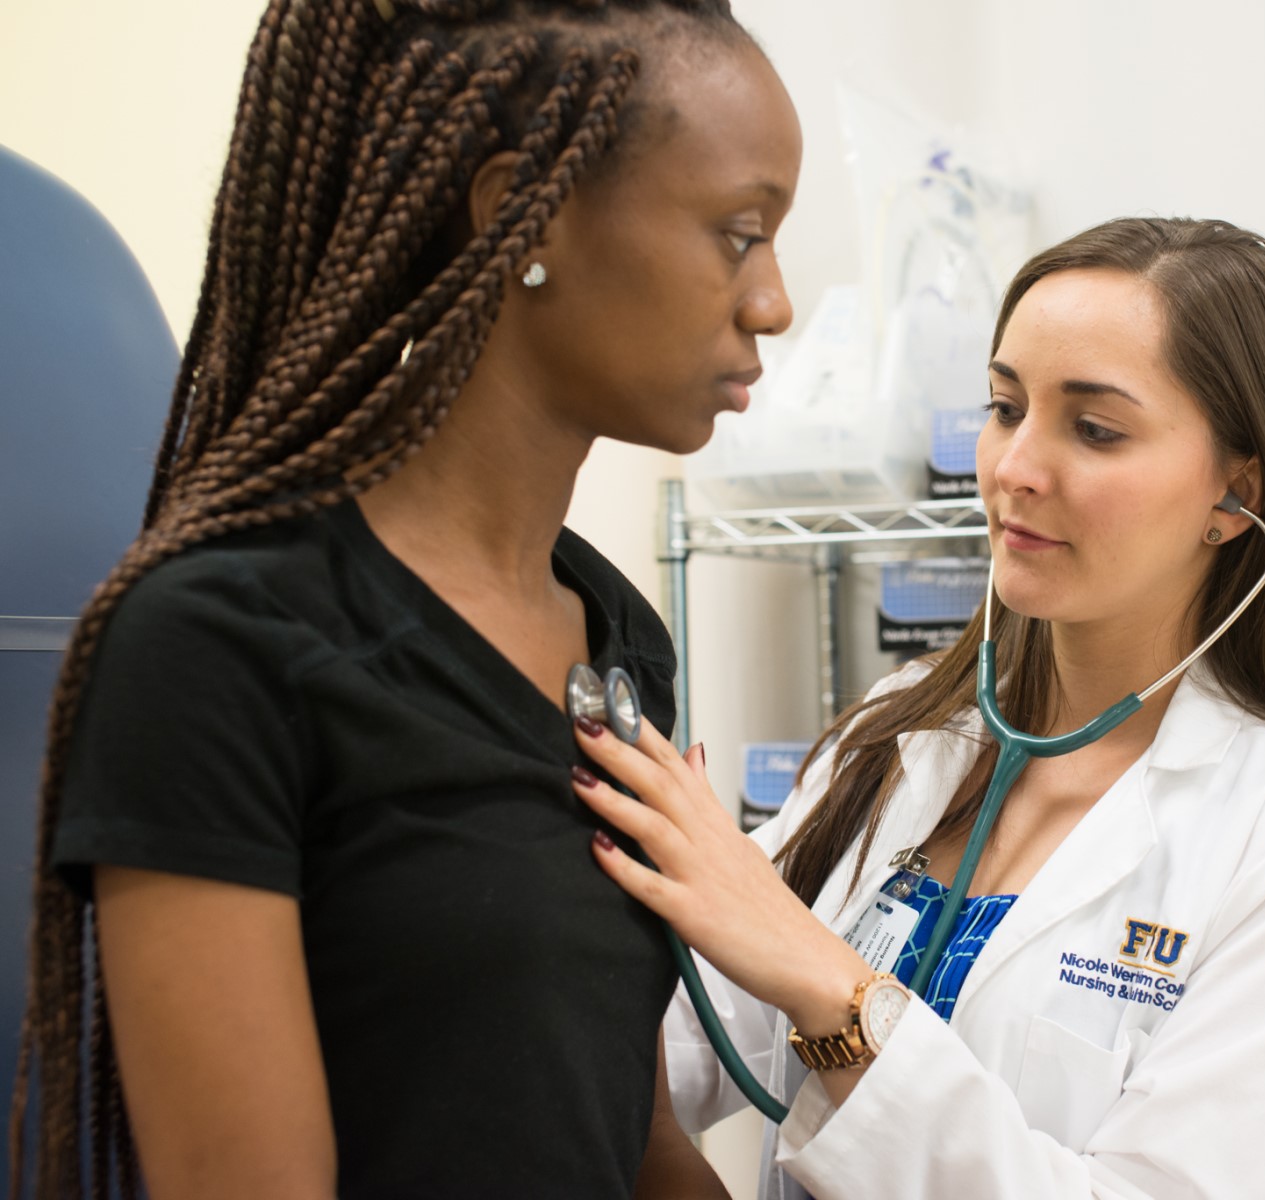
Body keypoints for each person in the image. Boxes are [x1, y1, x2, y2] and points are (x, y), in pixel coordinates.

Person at [7, 1, 799, 1197]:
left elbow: (629, 1145)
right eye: (738, 234)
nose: (773, 303)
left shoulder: (614, 636)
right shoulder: (223, 645)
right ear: (516, 213)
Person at [571, 216, 1265, 1199]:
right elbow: (680, 1046)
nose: (1014, 467)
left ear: (1234, 494)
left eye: (1093, 429)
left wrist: (832, 988)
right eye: (1005, 407)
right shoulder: (902, 737)